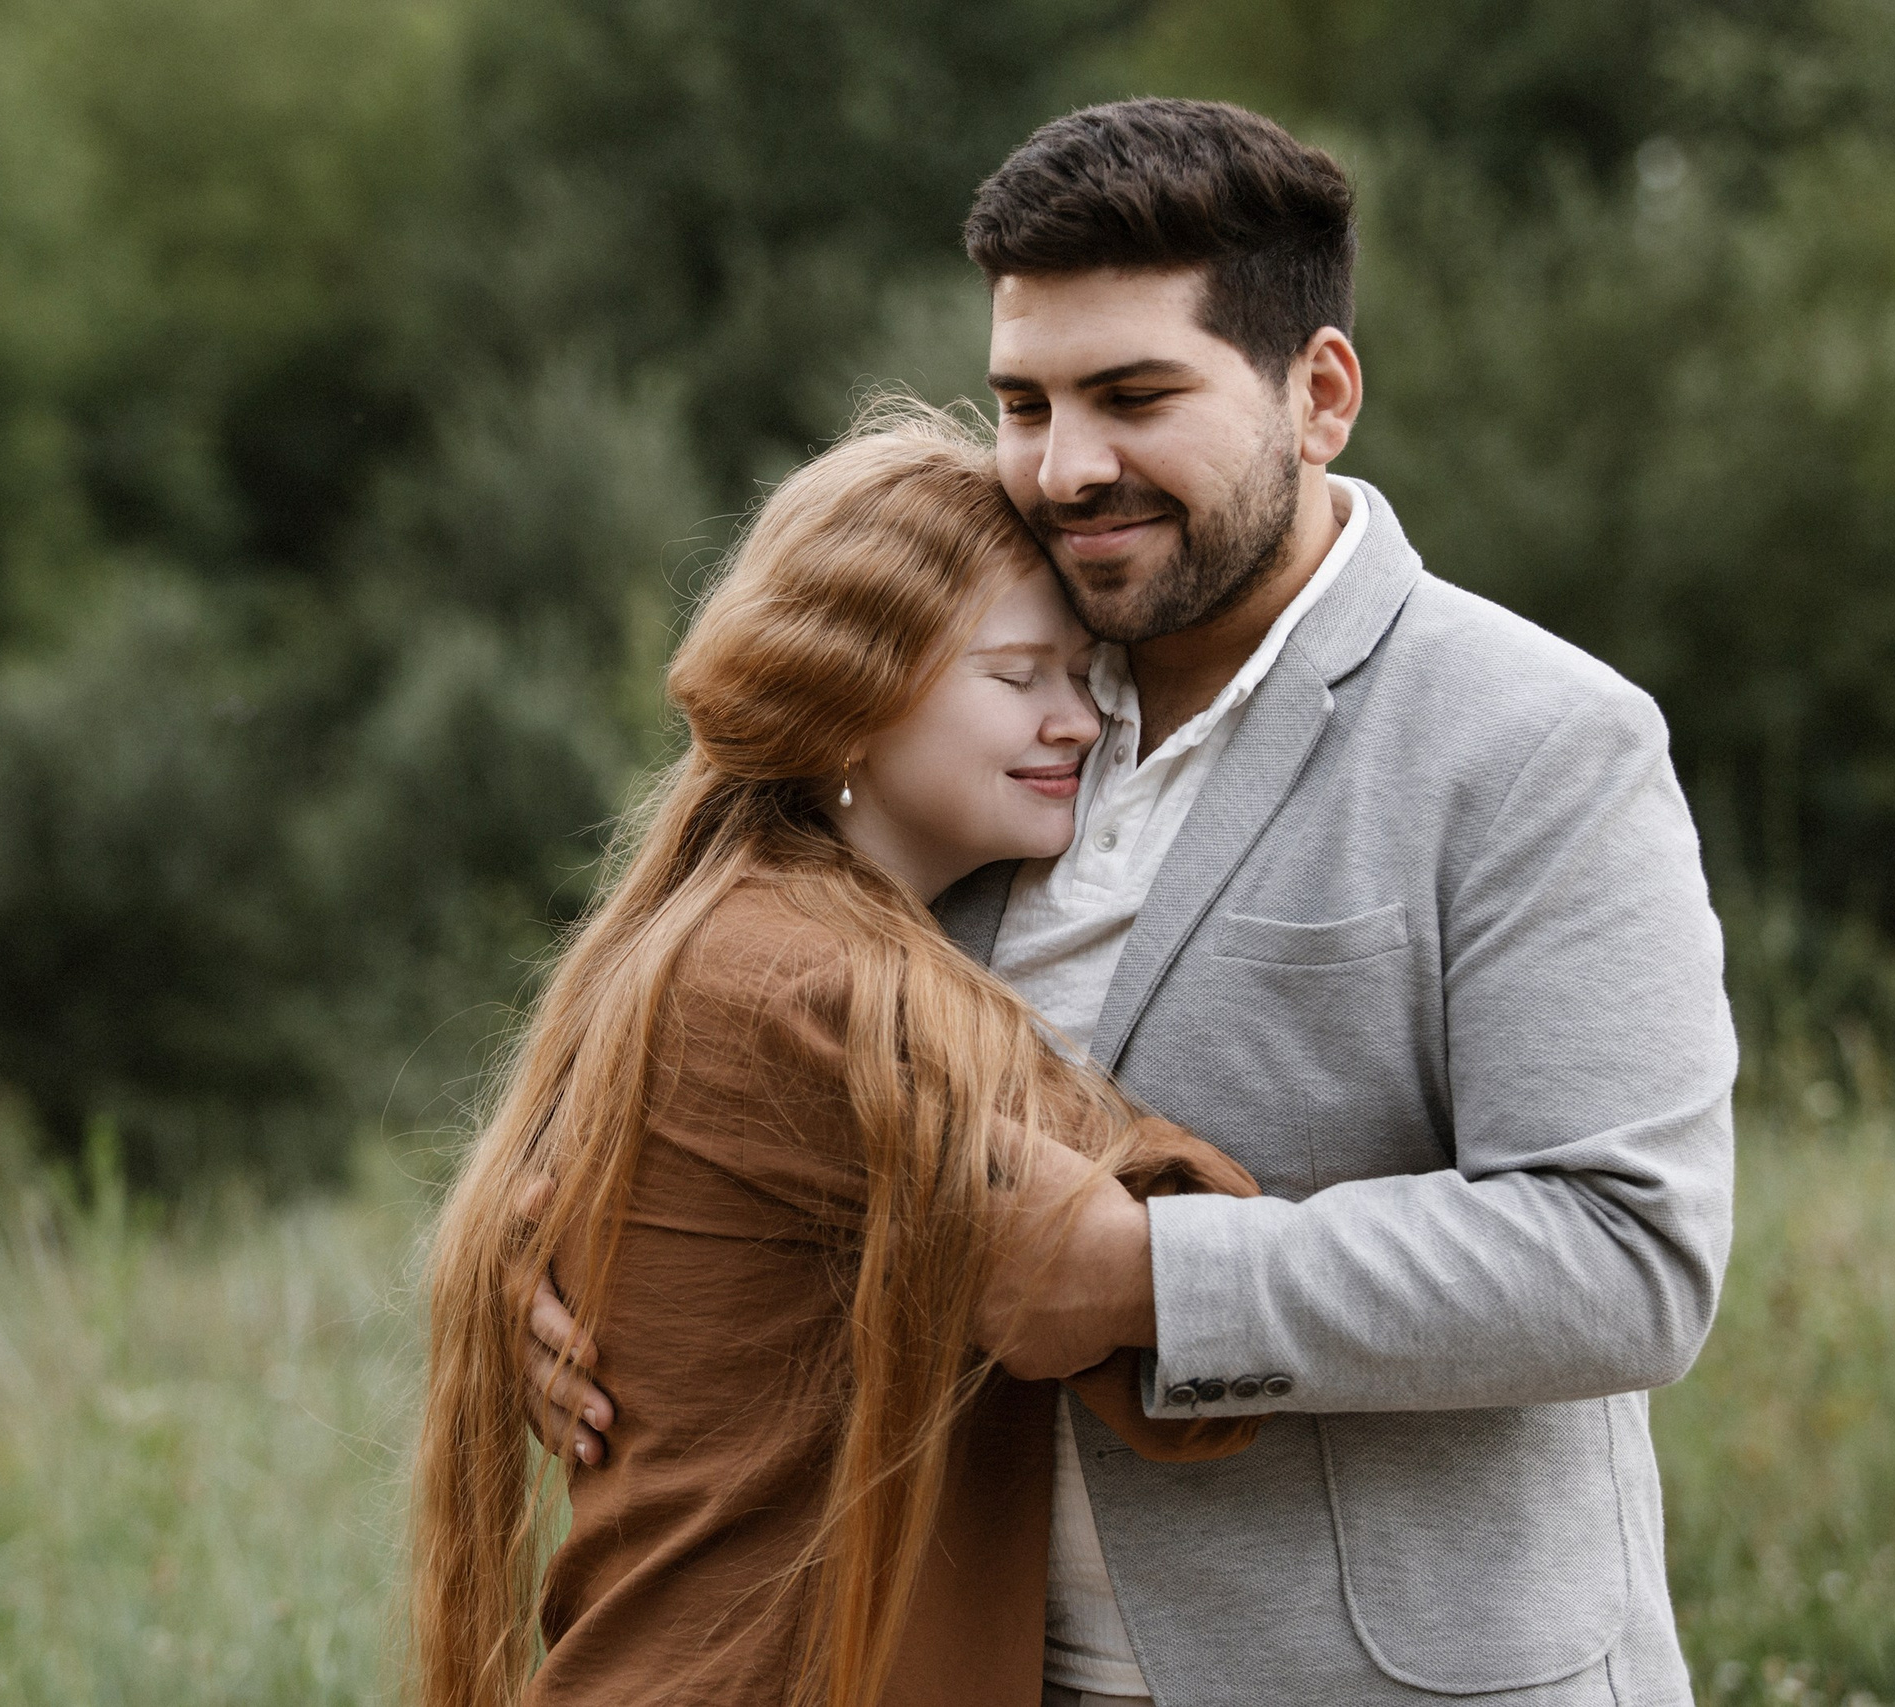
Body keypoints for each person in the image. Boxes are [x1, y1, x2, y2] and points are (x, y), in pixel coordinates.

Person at [528, 99, 1737, 1707]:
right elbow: (753, 970)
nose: (1065, 466)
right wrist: (568, 1256)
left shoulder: (1536, 739)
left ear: (1319, 395)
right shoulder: (968, 709)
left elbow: (1625, 1256)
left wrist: (1150, 1280)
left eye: (1135, 396)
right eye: (1024, 403)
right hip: (974, 1661)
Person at [410, 400, 1263, 1707]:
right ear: (850, 699)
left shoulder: (724, 930)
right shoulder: (819, 993)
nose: (1080, 722)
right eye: (1018, 676)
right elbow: (1191, 1360)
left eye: (1085, 679)